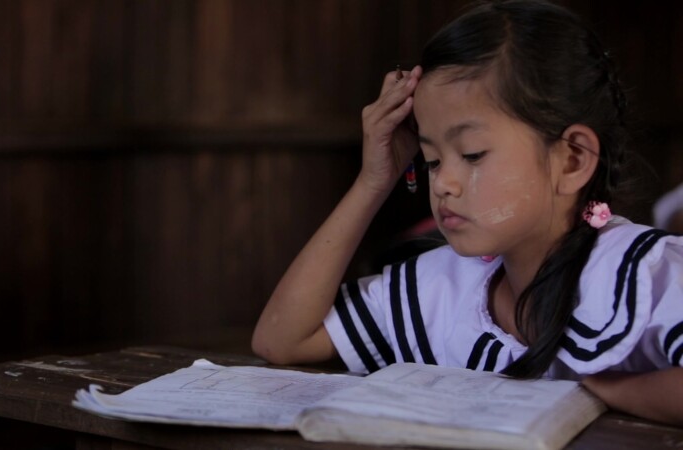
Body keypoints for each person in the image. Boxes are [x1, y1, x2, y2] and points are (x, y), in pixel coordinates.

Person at [252, 0, 683, 426]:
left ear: (572, 159)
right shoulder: (442, 289)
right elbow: (282, 339)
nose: (443, 183)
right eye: (432, 160)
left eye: (472, 154)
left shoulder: (646, 272)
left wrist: (603, 389)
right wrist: (373, 181)